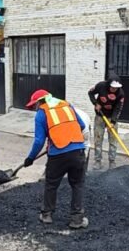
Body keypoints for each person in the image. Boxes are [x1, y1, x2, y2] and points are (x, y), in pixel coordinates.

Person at [23, 89, 89, 229]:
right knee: (77, 185)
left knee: (51, 184)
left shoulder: (42, 113)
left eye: (34, 105)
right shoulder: (67, 105)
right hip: (78, 151)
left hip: (58, 154)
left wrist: (30, 158)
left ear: (39, 102)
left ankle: (47, 215)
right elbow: (82, 126)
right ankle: (77, 219)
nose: (35, 108)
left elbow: (39, 141)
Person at [87, 74, 125, 169]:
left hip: (112, 118)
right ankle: (97, 161)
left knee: (113, 141)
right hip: (100, 117)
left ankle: (112, 161)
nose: (114, 89)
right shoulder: (101, 86)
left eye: (116, 88)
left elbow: (118, 108)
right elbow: (90, 93)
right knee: (98, 139)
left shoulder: (120, 94)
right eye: (113, 87)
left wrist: (113, 122)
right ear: (108, 84)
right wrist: (95, 103)